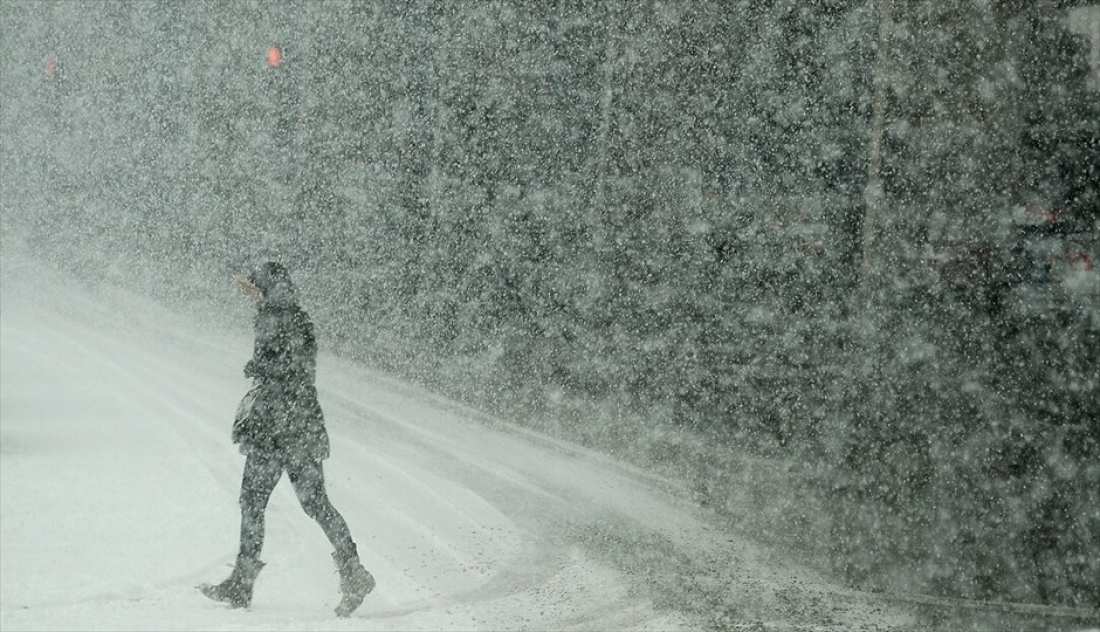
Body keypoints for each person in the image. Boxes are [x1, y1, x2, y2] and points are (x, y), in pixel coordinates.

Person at [200, 261, 374, 617]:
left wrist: (262, 369)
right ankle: (353, 571)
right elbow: (301, 368)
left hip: (278, 427)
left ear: (266, 288)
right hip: (300, 424)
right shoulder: (291, 315)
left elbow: (292, 369)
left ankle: (242, 584)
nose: (249, 294)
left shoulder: (277, 317)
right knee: (314, 503)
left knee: (254, 501)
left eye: (253, 288)